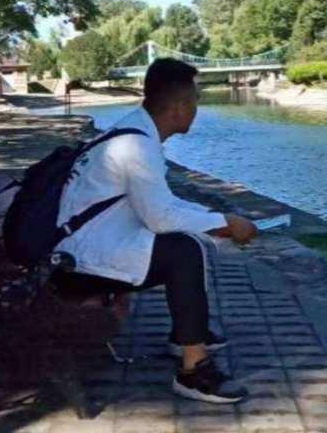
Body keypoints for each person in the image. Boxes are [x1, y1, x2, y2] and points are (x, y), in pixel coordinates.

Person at [53, 58, 258, 403]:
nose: (197, 110)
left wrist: (217, 217)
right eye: (195, 102)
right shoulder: (136, 146)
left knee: (185, 242)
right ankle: (193, 371)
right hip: (79, 262)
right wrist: (225, 224)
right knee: (183, 251)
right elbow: (161, 218)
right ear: (179, 107)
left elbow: (162, 204)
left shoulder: (134, 133)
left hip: (90, 243)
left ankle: (186, 335)